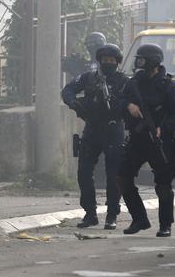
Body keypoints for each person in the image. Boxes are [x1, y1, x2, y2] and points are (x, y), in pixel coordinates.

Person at [117, 43, 175, 237]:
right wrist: (128, 105)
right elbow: (119, 100)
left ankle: (165, 224)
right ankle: (139, 219)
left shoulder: (169, 86)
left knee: (163, 185)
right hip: (137, 141)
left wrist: (162, 128)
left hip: (160, 142)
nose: (139, 63)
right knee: (123, 177)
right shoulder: (133, 83)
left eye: (143, 59)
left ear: (153, 62)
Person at [61, 43, 128, 229]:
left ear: (117, 62)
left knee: (113, 175)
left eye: (112, 60)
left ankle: (112, 215)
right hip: (92, 129)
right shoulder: (89, 78)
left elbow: (133, 102)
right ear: (99, 61)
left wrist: (120, 106)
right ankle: (90, 213)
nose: (108, 63)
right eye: (105, 60)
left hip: (114, 130)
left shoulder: (124, 82)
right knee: (83, 172)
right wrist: (74, 103)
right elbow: (67, 90)